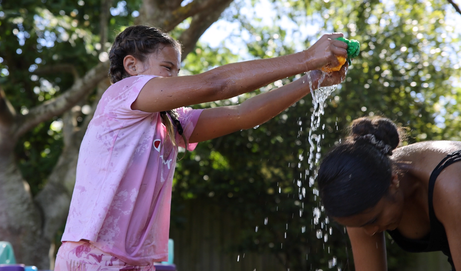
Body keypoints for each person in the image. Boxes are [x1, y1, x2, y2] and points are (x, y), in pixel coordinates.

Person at [54, 25, 348, 270]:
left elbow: (242, 115)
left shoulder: (171, 121)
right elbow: (215, 85)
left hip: (137, 261)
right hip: (92, 255)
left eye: (178, 71)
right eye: (167, 68)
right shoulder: (121, 95)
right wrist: (308, 58)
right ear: (132, 66)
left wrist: (312, 80)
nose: (175, 80)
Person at [317, 116, 461, 271]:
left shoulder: (452, 185)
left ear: (393, 181)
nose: (370, 232)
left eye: (374, 220)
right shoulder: (359, 207)